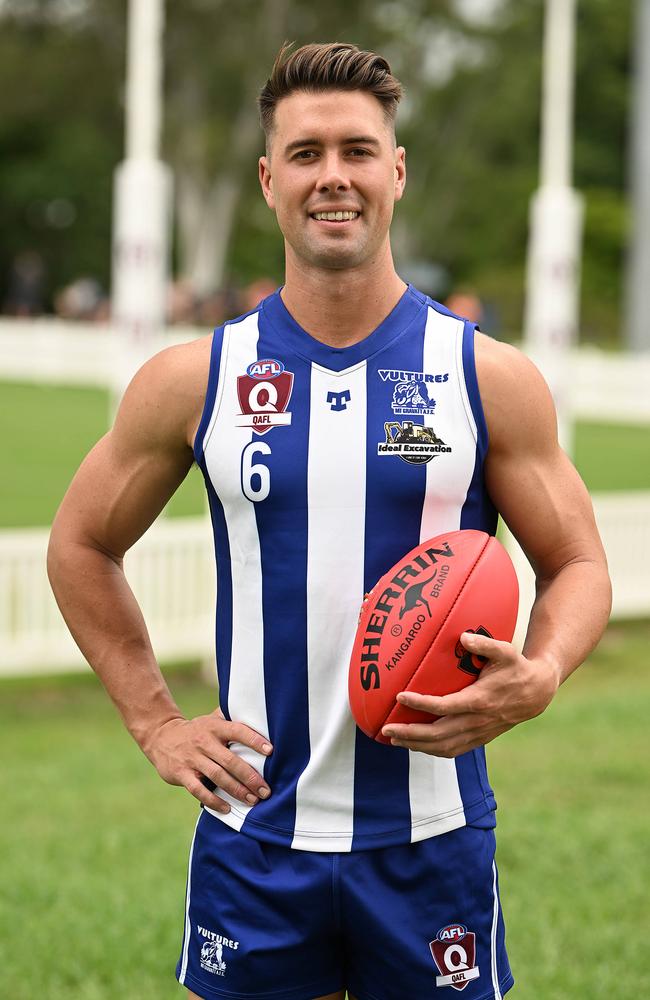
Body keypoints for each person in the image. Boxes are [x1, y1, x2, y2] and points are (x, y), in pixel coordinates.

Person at [47, 42, 611, 1000]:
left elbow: (579, 561)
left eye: (357, 150)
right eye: (305, 155)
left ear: (396, 169)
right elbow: (80, 546)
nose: (333, 177)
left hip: (429, 841)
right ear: (269, 181)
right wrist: (155, 726)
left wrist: (544, 672)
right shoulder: (197, 380)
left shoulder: (487, 377)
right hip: (257, 837)